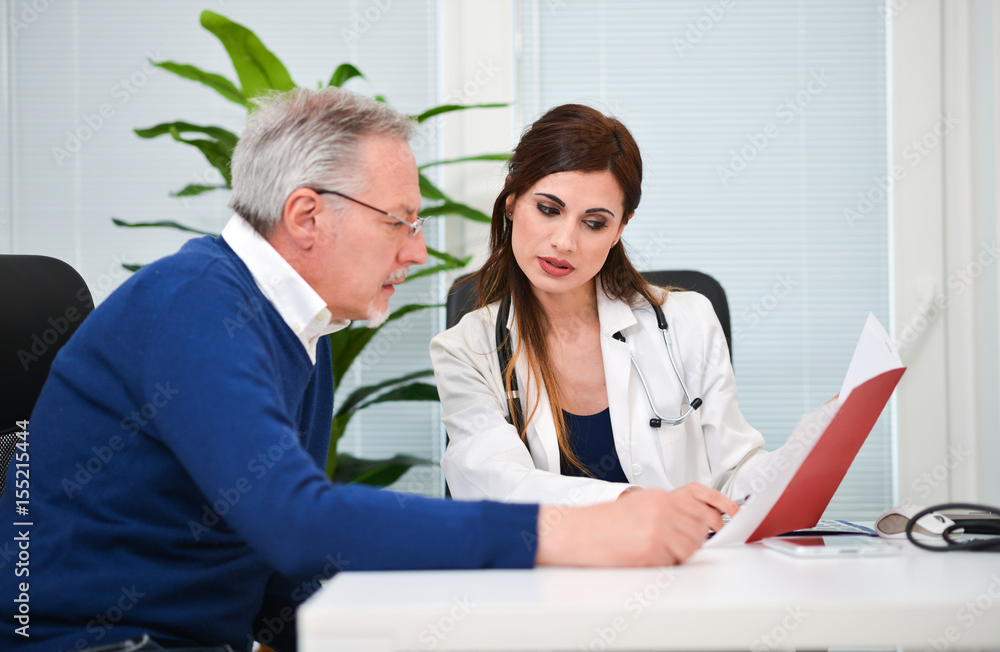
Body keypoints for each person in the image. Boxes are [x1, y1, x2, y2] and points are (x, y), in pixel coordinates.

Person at [0, 89, 737, 652]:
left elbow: (281, 576)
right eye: (399, 222)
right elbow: (296, 522)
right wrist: (578, 533)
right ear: (307, 216)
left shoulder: (303, 332)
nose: (417, 252)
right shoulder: (195, 303)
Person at [431, 103, 777, 506]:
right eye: (548, 209)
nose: (565, 242)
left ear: (619, 229)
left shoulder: (689, 321)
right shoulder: (465, 350)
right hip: (550, 551)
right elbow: (496, 485)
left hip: (684, 549)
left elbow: (735, 473)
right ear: (511, 200)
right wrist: (636, 506)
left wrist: (813, 449)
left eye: (594, 223)